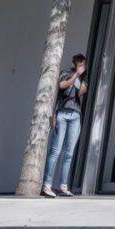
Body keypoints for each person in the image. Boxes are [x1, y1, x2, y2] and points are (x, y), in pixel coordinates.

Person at [44, 54, 87, 199]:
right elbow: (62, 85)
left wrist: (80, 78)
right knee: (55, 150)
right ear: (75, 63)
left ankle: (63, 186)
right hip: (62, 113)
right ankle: (47, 185)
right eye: (80, 63)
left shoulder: (84, 78)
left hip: (75, 115)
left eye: (83, 63)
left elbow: (81, 92)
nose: (82, 65)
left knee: (69, 154)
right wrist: (75, 75)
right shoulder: (65, 73)